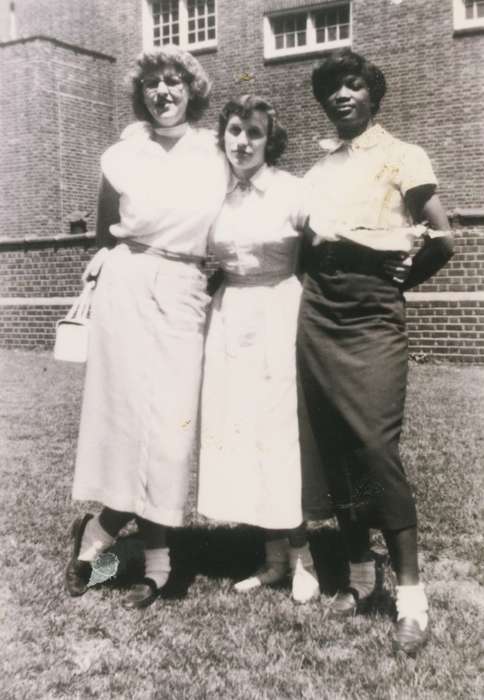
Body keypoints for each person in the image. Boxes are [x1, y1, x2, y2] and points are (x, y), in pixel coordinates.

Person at [297, 49, 454, 653]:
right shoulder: (319, 168)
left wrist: (396, 286)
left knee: (375, 446)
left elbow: (442, 239)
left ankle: (411, 596)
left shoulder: (402, 154)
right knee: (335, 443)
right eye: (333, 87)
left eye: (353, 85)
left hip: (372, 314)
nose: (342, 95)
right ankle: (361, 575)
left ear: (372, 94)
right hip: (319, 312)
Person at [65, 46, 227, 609]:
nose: (163, 91)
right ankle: (146, 559)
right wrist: (105, 256)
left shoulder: (216, 152)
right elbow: (105, 231)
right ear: (143, 93)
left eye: (174, 81)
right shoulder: (122, 155)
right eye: (154, 83)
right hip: (128, 285)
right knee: (126, 421)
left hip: (184, 285)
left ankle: (102, 532)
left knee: (170, 427)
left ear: (191, 90)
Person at [197, 95, 320, 604]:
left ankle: (304, 556)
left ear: (271, 141)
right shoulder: (212, 194)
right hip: (230, 318)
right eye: (233, 131)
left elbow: (320, 253)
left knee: (283, 431)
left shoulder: (294, 190)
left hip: (282, 312)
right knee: (243, 429)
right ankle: (272, 558)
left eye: (254, 133)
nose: (242, 142)